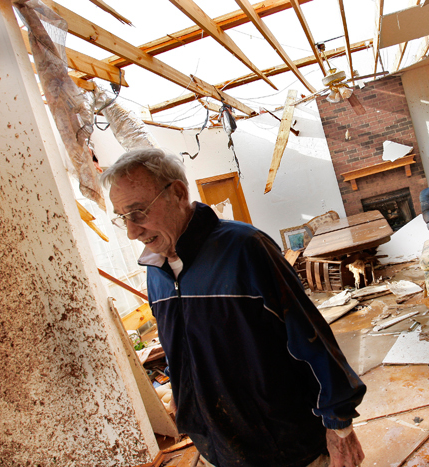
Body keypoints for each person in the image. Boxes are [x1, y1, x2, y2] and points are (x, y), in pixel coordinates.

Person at [101, 148, 366, 467]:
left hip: (286, 450)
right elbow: (179, 344)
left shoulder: (245, 249)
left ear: (178, 193)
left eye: (138, 211)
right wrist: (180, 393)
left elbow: (313, 340)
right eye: (123, 218)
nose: (131, 231)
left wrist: (340, 425)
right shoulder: (155, 271)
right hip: (219, 449)